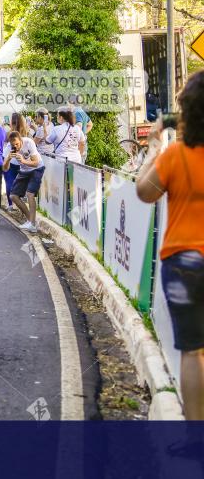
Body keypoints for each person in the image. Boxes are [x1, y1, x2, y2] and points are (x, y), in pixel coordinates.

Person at [136, 70, 204, 419]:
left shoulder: (175, 157)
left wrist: (153, 147)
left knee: (193, 352)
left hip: (183, 262)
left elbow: (144, 191)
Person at [3, 130, 45, 233]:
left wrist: (23, 161)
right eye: (13, 145)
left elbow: (36, 163)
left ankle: (32, 223)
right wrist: (8, 159)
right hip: (24, 170)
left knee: (30, 194)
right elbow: (5, 169)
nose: (16, 147)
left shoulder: (28, 142)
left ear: (21, 140)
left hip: (36, 169)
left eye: (17, 144)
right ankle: (30, 221)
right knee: (13, 196)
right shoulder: (9, 148)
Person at [2, 113, 28, 209]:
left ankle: (10, 204)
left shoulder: (9, 133)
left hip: (10, 159)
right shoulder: (27, 132)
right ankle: (20, 202)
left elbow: (3, 142)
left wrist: (3, 126)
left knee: (9, 182)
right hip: (22, 161)